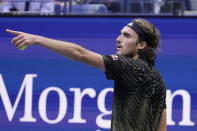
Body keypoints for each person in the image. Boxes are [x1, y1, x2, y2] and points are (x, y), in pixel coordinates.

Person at [6, 18, 166, 131]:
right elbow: (162, 127)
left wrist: (37, 39)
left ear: (142, 45)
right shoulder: (158, 79)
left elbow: (80, 53)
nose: (118, 39)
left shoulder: (126, 65)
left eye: (126, 36)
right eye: (120, 34)